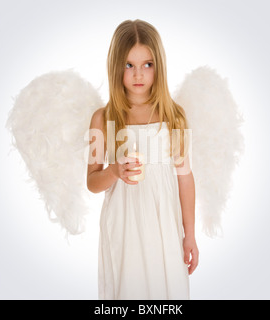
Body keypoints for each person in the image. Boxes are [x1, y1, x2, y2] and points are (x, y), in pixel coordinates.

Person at [87, 19, 198, 300]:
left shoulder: (174, 117)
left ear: (158, 66)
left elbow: (185, 177)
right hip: (123, 225)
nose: (139, 74)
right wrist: (114, 171)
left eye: (147, 64)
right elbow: (92, 182)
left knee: (167, 290)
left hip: (164, 224)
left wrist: (190, 234)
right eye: (129, 65)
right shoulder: (103, 119)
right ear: (116, 67)